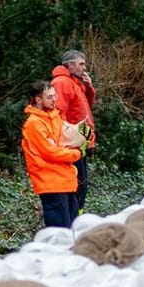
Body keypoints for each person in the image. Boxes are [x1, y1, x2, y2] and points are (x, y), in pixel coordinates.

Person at [22, 80, 83, 230]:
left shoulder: (55, 116)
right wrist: (76, 153)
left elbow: (67, 139)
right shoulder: (34, 123)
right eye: (50, 97)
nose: (55, 99)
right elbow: (50, 152)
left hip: (66, 179)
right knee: (60, 233)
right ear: (38, 99)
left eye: (55, 96)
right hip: (50, 182)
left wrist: (83, 137)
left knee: (71, 230)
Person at [50, 50, 97, 212]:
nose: (84, 68)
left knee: (81, 186)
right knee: (78, 186)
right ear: (70, 65)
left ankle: (77, 218)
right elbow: (58, 113)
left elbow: (86, 107)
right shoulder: (62, 83)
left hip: (81, 141)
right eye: (81, 64)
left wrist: (89, 87)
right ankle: (74, 221)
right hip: (72, 144)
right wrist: (66, 140)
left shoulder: (75, 82)